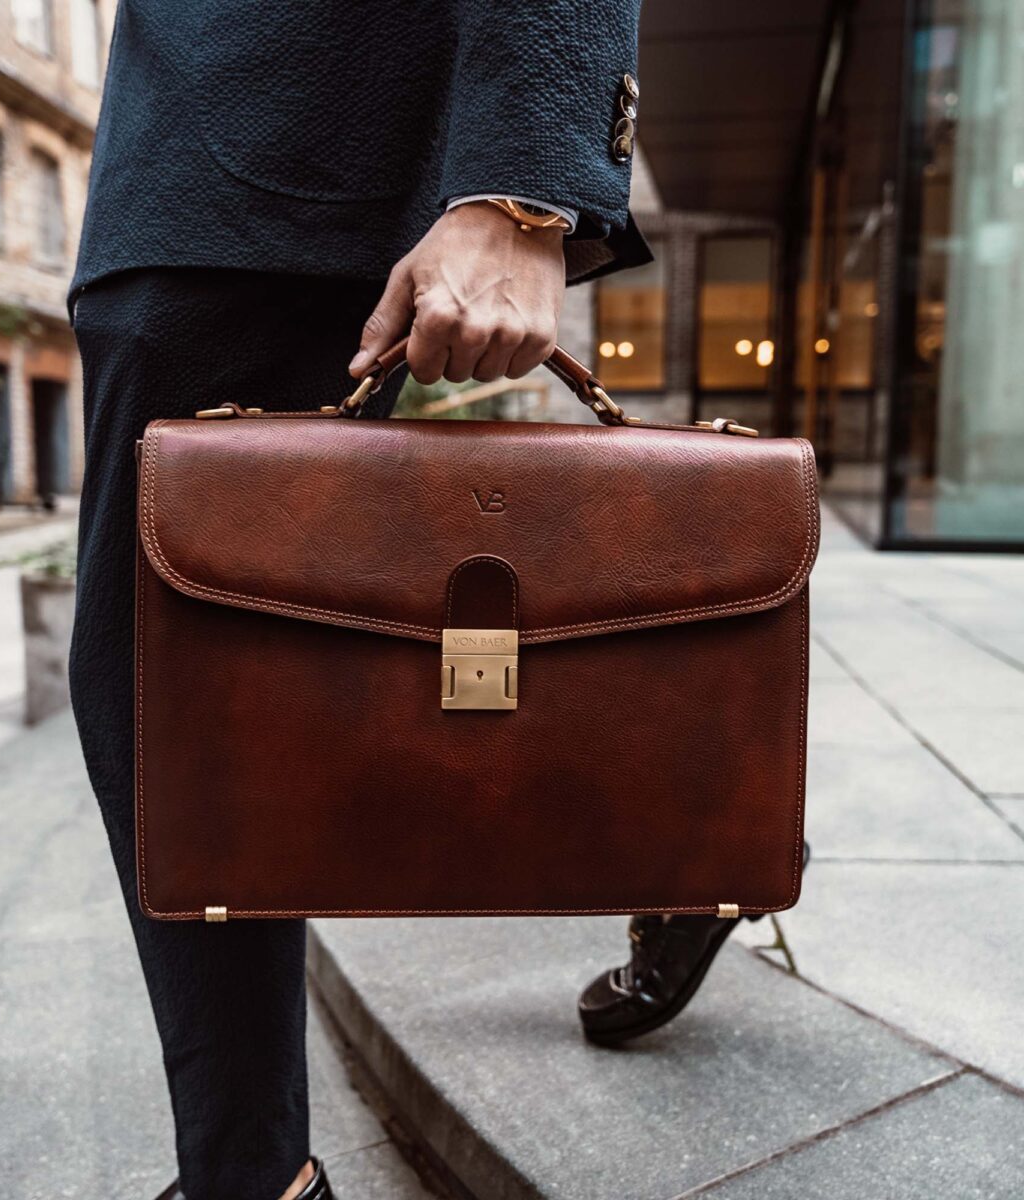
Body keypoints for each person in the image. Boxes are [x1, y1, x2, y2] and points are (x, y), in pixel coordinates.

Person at [67, 2, 757, 1197]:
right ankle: (713, 837)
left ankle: (252, 1177)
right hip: (180, 151)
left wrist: (521, 185)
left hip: (287, 127)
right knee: (201, 654)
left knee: (171, 673)